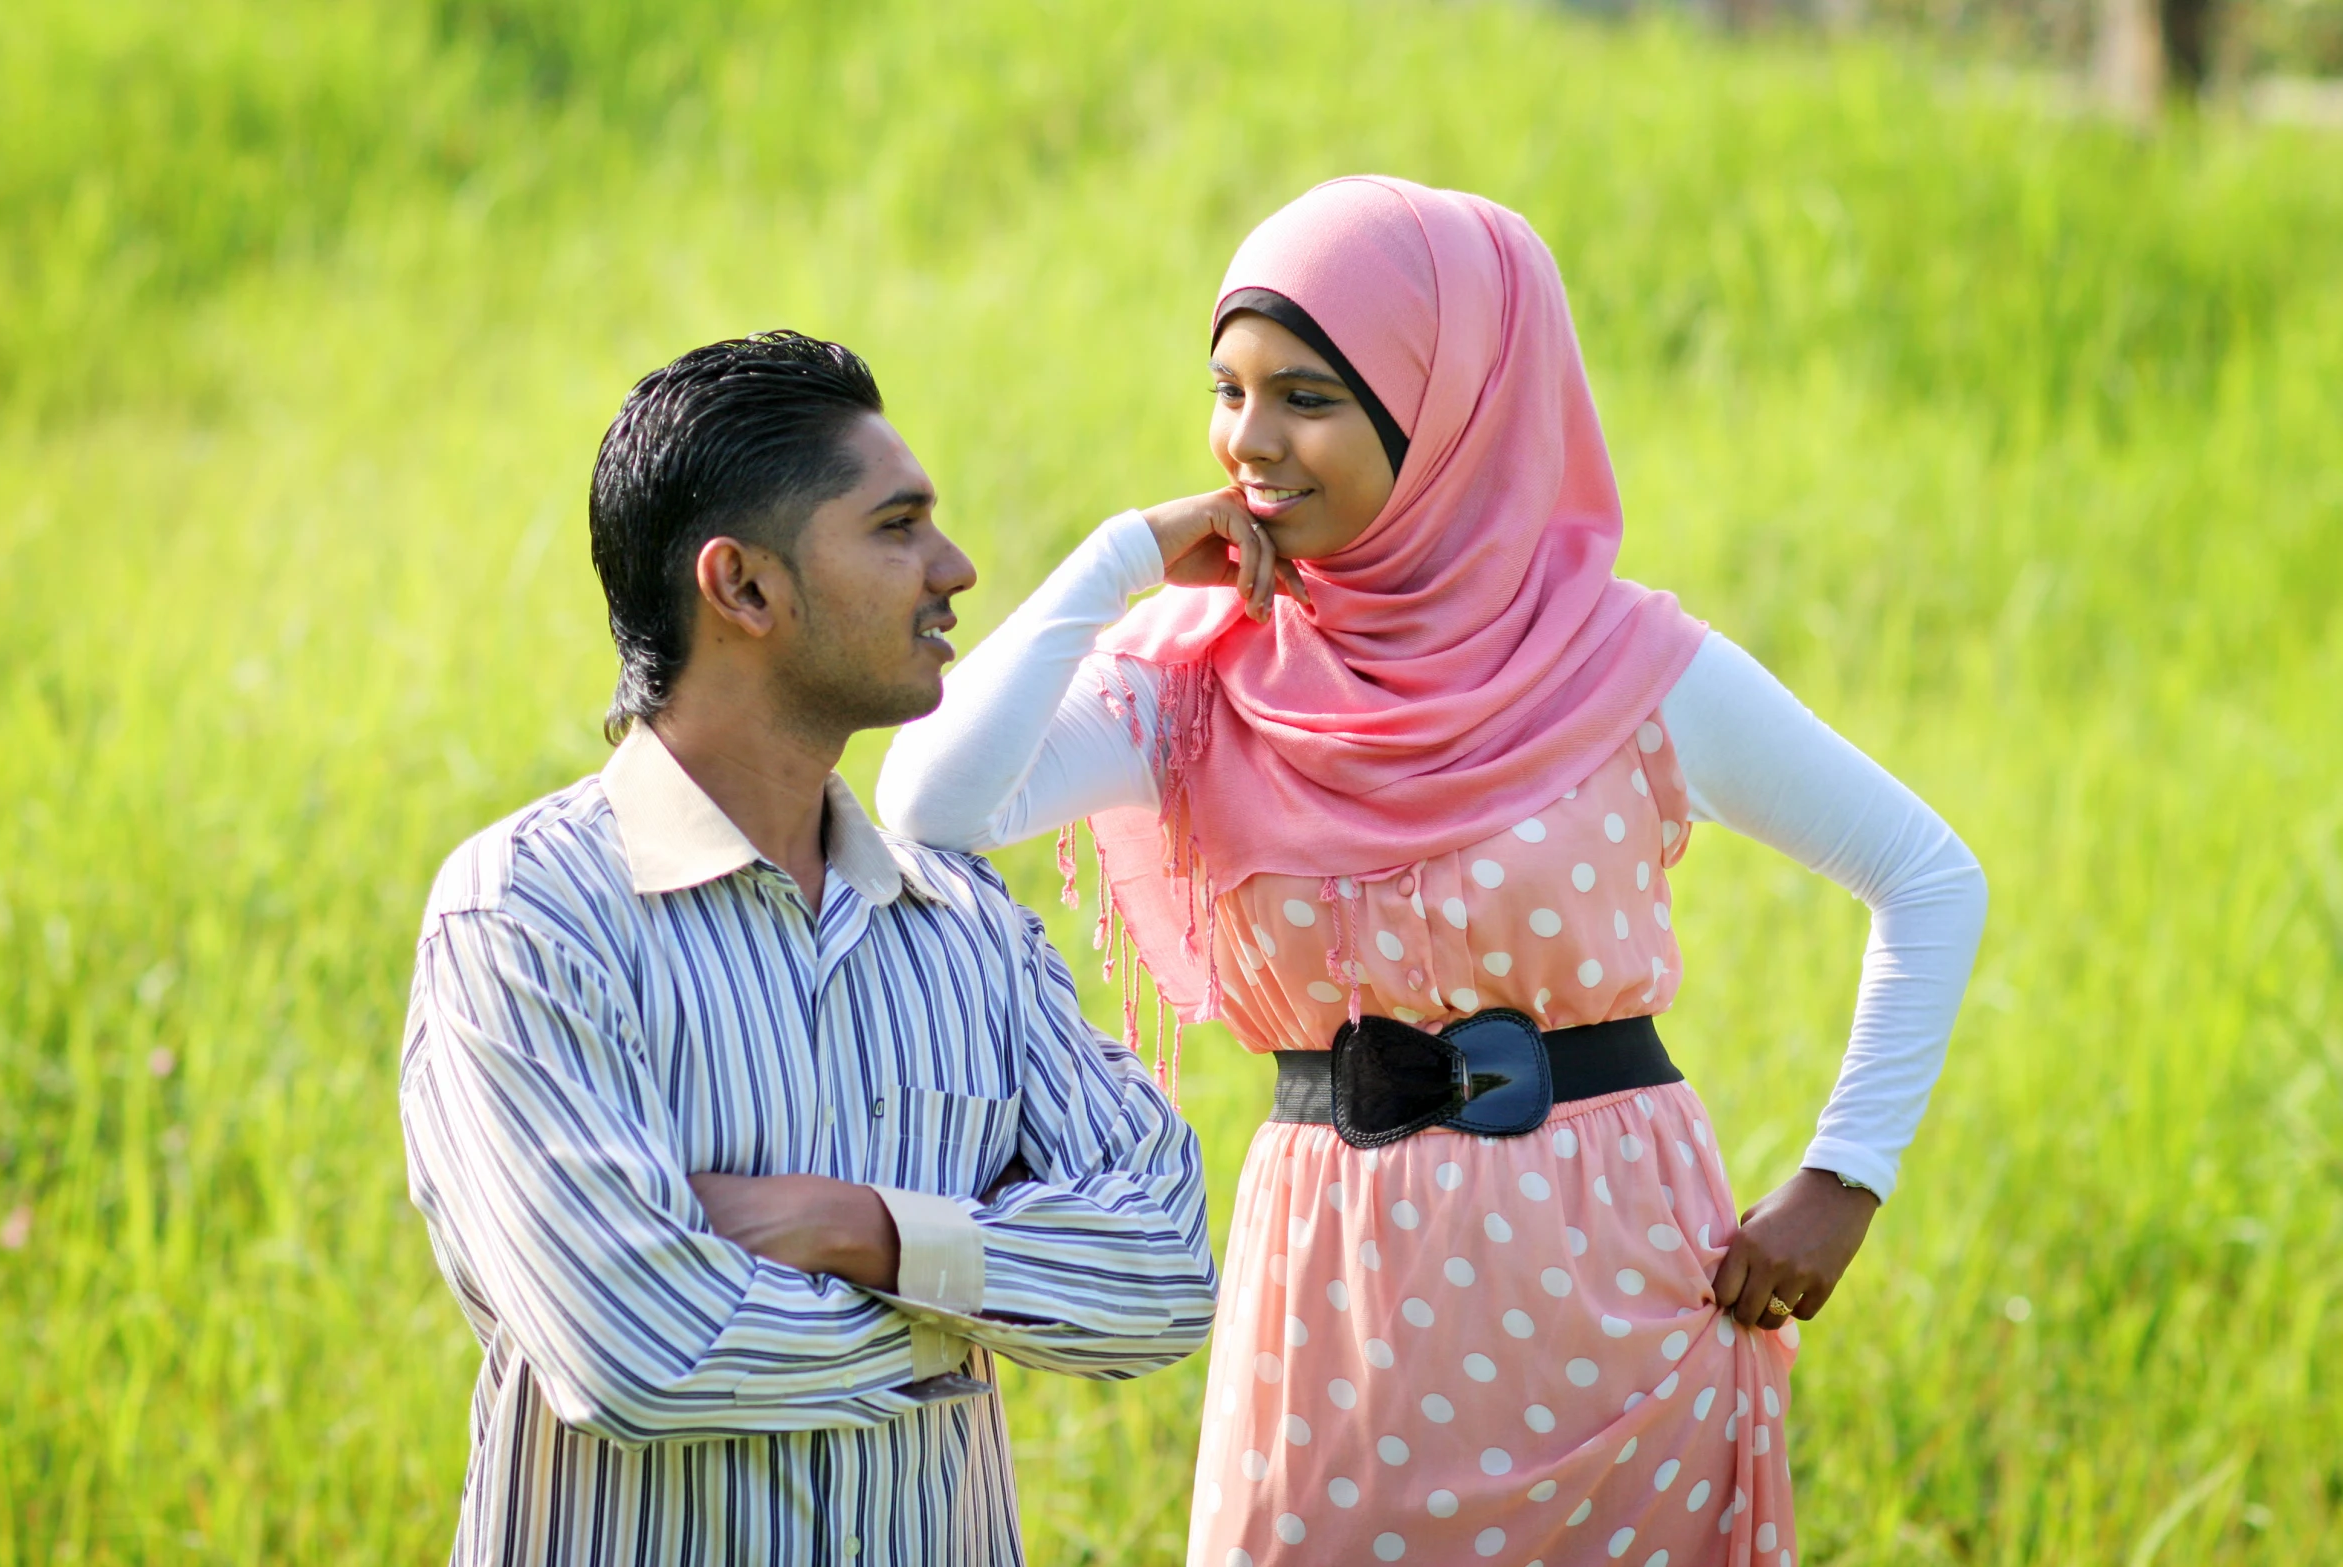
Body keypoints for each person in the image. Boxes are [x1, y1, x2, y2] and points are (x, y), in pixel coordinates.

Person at [878, 178, 1988, 1565]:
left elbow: (1925, 875)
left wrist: (1845, 1174)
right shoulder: (1201, 670)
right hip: (1331, 1291)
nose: (1248, 444)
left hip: (1616, 1285)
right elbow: (927, 803)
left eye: (1306, 398)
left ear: (1450, 406)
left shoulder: (1625, 663)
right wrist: (1121, 560)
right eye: (1226, 391)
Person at [400, 331, 1216, 1567]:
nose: (954, 567)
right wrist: (966, 1322)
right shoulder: (525, 917)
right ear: (742, 589)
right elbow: (641, 1350)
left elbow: (1161, 1270)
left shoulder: (966, 927)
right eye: (896, 527)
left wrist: (867, 1230)